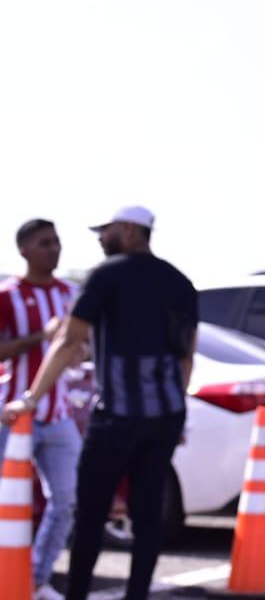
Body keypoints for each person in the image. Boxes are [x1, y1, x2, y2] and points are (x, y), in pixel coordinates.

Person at [2, 206, 196, 600]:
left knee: (89, 513)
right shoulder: (179, 281)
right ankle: (136, 594)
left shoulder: (107, 275)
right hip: (165, 415)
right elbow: (186, 356)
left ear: (127, 230)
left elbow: (70, 341)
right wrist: (177, 408)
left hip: (117, 416)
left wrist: (31, 398)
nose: (99, 240)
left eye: (104, 233)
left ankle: (74, 593)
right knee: (146, 513)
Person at [0, 220, 86, 600]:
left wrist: (74, 349)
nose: (54, 250)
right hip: (12, 413)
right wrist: (41, 337)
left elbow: (79, 353)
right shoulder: (8, 296)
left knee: (66, 499)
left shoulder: (72, 293)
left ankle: (35, 578)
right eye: (44, 243)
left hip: (58, 413)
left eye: (57, 243)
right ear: (24, 250)